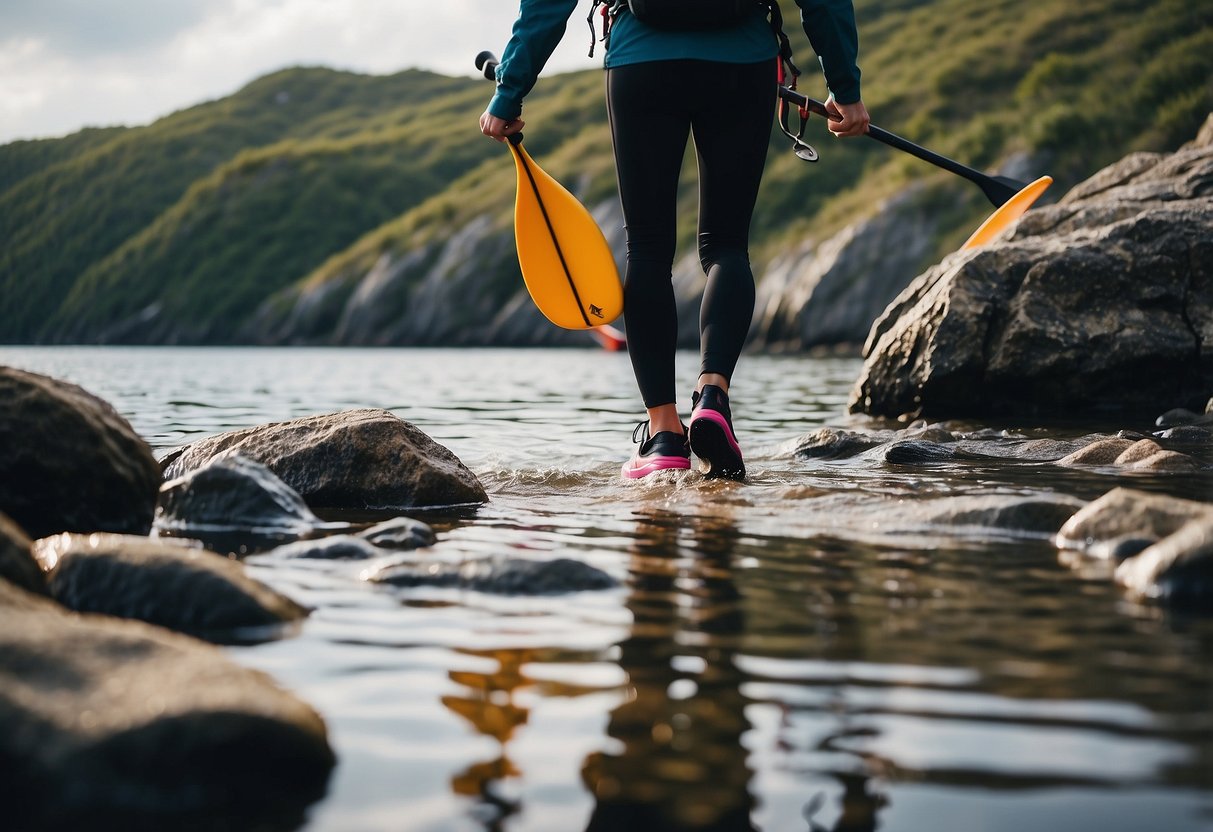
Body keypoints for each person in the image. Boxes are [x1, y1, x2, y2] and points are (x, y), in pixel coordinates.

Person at [481, 0, 869, 481]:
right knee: (727, 246)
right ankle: (712, 397)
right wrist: (845, 88)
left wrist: (509, 90)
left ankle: (664, 436)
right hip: (741, 62)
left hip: (643, 61)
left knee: (647, 251)